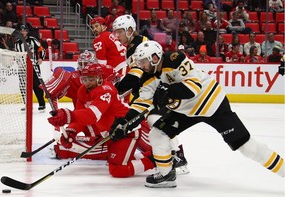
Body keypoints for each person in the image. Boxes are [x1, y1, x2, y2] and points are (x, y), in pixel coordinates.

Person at [109, 40, 284, 188]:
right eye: (139, 63)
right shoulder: (147, 79)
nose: (141, 66)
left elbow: (193, 88)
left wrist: (168, 91)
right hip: (185, 111)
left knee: (247, 147)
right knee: (158, 132)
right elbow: (141, 105)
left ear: (154, 57)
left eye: (143, 62)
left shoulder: (175, 59)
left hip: (211, 103)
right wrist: (124, 123)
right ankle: (166, 174)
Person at [47, 63, 155, 177]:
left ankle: (156, 160)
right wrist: (71, 131)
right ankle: (156, 155)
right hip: (111, 134)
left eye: (91, 79)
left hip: (125, 130)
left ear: (99, 78)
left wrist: (67, 115)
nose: (87, 83)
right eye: (84, 79)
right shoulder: (82, 91)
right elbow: (80, 117)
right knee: (119, 160)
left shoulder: (106, 90)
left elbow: (93, 115)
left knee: (118, 170)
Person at [113, 14, 189, 174]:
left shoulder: (137, 46)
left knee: (157, 120)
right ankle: (174, 155)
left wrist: (117, 88)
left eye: (119, 31)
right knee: (156, 121)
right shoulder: (134, 44)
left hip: (160, 88)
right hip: (155, 87)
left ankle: (177, 156)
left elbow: (136, 75)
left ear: (129, 30)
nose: (116, 35)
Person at [15, 24, 46, 111]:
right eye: (21, 31)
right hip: (22, 67)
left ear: (27, 31)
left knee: (37, 85)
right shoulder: (17, 43)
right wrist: (18, 63)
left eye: (24, 30)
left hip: (33, 66)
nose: (23, 32)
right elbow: (17, 55)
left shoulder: (33, 40)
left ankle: (42, 103)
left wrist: (40, 58)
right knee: (23, 85)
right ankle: (26, 104)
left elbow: (41, 49)